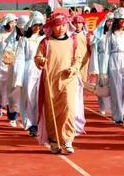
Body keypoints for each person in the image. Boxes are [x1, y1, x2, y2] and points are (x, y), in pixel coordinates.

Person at [35, 13, 87, 154]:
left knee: (69, 107)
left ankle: (68, 139)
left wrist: (74, 68)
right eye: (58, 25)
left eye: (64, 25)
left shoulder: (73, 41)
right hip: (51, 80)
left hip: (68, 79)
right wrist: (41, 60)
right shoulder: (45, 42)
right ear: (52, 27)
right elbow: (38, 57)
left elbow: (78, 58)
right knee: (52, 111)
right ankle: (54, 140)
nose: (61, 28)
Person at [14, 12, 46, 136]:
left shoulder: (45, 39)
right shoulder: (24, 40)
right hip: (29, 71)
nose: (37, 27)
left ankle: (40, 122)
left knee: (40, 97)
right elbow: (19, 59)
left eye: (40, 25)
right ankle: (30, 124)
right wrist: (18, 76)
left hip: (42, 69)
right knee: (29, 98)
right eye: (35, 25)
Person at [100, 8, 124, 125]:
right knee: (116, 89)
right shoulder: (110, 34)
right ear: (117, 20)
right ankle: (117, 115)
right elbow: (106, 52)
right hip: (114, 59)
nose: (123, 21)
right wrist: (103, 71)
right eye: (121, 19)